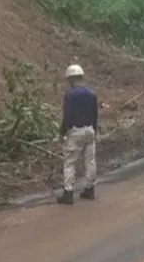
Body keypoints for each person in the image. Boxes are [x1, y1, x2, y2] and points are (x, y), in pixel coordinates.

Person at [57, 64, 98, 205]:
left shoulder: (70, 94)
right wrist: (95, 130)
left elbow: (67, 116)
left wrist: (62, 133)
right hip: (89, 130)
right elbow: (95, 115)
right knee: (90, 161)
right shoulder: (91, 93)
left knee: (69, 162)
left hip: (76, 131)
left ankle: (68, 193)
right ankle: (90, 189)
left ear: (70, 78)